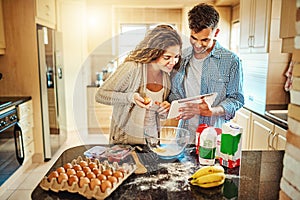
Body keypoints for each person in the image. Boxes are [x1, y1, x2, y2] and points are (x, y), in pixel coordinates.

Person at [95, 24, 182, 144]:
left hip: (152, 143)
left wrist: (164, 111)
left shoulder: (166, 77)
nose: (173, 62)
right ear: (154, 52)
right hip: (125, 142)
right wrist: (130, 97)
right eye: (167, 57)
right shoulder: (132, 68)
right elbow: (100, 95)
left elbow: (155, 114)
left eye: (176, 56)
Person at [168, 3, 244, 139]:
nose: (198, 44)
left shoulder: (231, 61)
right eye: (193, 38)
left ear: (216, 33)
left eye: (205, 40)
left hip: (215, 136)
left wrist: (213, 111)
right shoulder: (182, 57)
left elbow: (236, 99)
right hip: (184, 135)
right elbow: (174, 93)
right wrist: (174, 107)